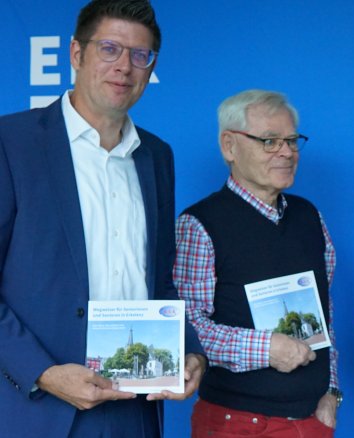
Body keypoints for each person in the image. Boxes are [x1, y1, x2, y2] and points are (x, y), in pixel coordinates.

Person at [0, 0, 206, 436]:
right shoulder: (10, 144)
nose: (124, 67)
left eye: (140, 55)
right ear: (77, 54)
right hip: (40, 410)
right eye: (110, 49)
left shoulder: (157, 156)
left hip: (137, 410)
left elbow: (161, 280)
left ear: (151, 68)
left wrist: (190, 351)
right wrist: (44, 373)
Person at [175, 89, 341, 437]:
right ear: (229, 146)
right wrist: (266, 349)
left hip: (312, 420)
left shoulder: (310, 216)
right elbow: (189, 328)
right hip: (237, 423)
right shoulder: (199, 224)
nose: (286, 152)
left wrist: (332, 394)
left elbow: (325, 316)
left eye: (292, 141)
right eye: (269, 141)